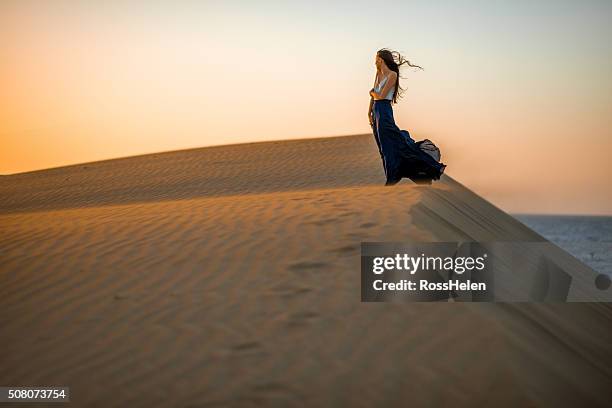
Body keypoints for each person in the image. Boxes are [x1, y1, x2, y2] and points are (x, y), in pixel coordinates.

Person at [368, 48, 446, 185]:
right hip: (376, 112)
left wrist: (372, 94)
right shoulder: (378, 74)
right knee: (383, 147)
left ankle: (395, 178)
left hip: (384, 110)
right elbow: (374, 96)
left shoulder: (392, 75)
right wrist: (369, 112)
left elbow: (379, 96)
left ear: (382, 59)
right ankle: (392, 175)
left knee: (392, 144)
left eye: (377, 59)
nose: (375, 62)